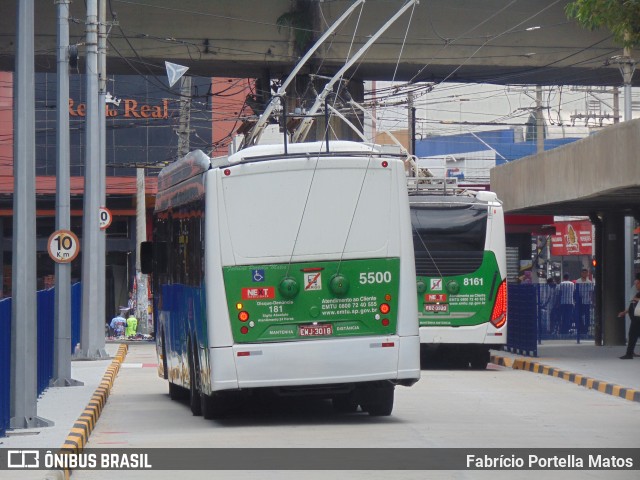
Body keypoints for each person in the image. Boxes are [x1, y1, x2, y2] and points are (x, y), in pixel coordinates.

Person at [617, 273, 640, 359]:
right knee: (632, 335)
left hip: (638, 319)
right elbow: (632, 305)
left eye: (637, 284)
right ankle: (629, 353)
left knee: (632, 335)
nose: (636, 286)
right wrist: (625, 312)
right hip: (635, 319)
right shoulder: (637, 293)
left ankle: (629, 353)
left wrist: (636, 299)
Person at [574, 268, 594, 336]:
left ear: (587, 273)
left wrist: (591, 301)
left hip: (587, 301)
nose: (584, 274)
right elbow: (576, 291)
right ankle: (581, 328)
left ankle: (586, 329)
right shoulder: (578, 281)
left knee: (587, 316)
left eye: (586, 273)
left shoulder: (589, 282)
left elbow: (591, 292)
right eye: (583, 273)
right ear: (581, 273)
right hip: (579, 301)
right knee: (579, 315)